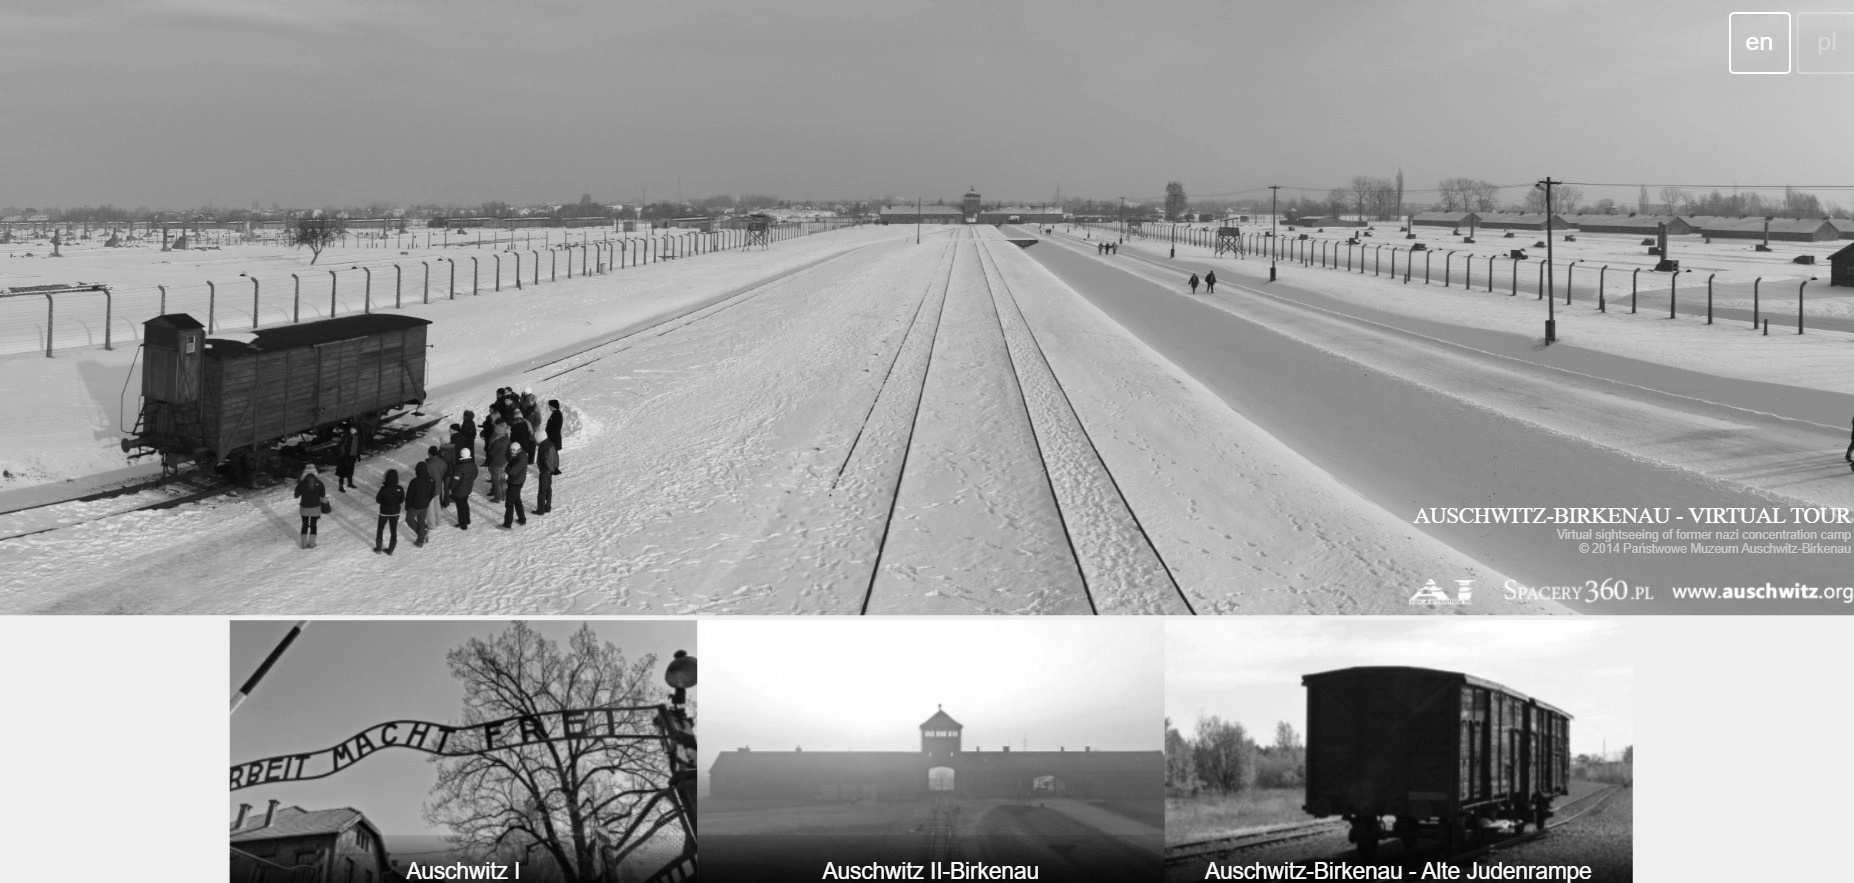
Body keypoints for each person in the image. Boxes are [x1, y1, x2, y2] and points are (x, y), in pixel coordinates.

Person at [292, 464, 327, 549]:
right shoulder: (320, 483)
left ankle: (304, 544)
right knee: (313, 525)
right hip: (315, 508)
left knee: (304, 525)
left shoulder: (301, 483)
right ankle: (312, 543)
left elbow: (296, 496)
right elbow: (322, 495)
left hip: (304, 508)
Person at [405, 461, 435, 548]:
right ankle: (420, 540)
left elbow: (409, 495)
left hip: (415, 506)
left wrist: (407, 507)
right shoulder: (431, 480)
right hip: (425, 505)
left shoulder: (414, 481)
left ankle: (422, 534)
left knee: (409, 519)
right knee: (421, 522)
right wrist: (427, 501)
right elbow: (432, 493)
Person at [374, 469, 405, 554]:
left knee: (380, 529)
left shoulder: (384, 489)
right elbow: (402, 500)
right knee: (393, 530)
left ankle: (378, 548)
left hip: (384, 512)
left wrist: (385, 503)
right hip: (395, 512)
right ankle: (390, 550)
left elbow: (378, 499)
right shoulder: (400, 488)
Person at [501, 441, 530, 528]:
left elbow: (511, 471)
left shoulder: (522, 459)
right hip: (515, 481)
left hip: (516, 482)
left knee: (509, 503)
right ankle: (522, 519)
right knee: (517, 500)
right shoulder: (518, 456)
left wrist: (507, 468)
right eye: (511, 450)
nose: (512, 452)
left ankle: (507, 524)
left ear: (519, 449)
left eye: (514, 450)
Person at [486, 421, 511, 503]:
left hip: (496, 463)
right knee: (502, 479)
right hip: (503, 461)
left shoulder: (497, 442)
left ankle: (498, 498)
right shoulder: (507, 438)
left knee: (496, 481)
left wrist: (490, 447)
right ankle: (504, 495)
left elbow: (491, 453)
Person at [452, 447, 478, 529]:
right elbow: (475, 475)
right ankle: (467, 519)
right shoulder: (473, 465)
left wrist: (450, 487)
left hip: (459, 491)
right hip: (468, 489)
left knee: (460, 507)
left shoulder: (459, 467)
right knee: (465, 503)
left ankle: (463, 524)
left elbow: (455, 481)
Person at [423, 445, 450, 514]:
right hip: (439, 483)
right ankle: (439, 509)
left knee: (431, 502)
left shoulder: (427, 464)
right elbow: (445, 471)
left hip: (429, 486)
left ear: (430, 454)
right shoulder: (442, 462)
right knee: (438, 498)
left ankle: (433, 515)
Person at [535, 437, 558, 514]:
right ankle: (548, 507)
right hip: (550, 471)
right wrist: (554, 468)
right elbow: (556, 456)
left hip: (545, 472)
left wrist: (547, 469)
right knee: (548, 488)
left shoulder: (543, 447)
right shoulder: (550, 443)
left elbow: (545, 461)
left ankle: (540, 510)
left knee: (541, 491)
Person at [334, 424, 360, 492]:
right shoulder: (347, 437)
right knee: (341, 474)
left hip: (351, 457)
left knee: (350, 471)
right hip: (344, 458)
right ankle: (340, 487)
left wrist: (358, 456)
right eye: (352, 430)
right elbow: (342, 447)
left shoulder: (356, 436)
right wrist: (343, 457)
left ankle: (350, 484)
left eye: (354, 430)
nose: (354, 431)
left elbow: (357, 447)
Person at [546, 400, 564, 473]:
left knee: (553, 452)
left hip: (554, 437)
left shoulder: (556, 414)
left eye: (550, 406)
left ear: (553, 406)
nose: (549, 407)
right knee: (553, 452)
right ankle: (554, 467)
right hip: (553, 437)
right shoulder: (555, 413)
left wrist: (549, 435)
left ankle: (554, 468)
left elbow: (554, 427)